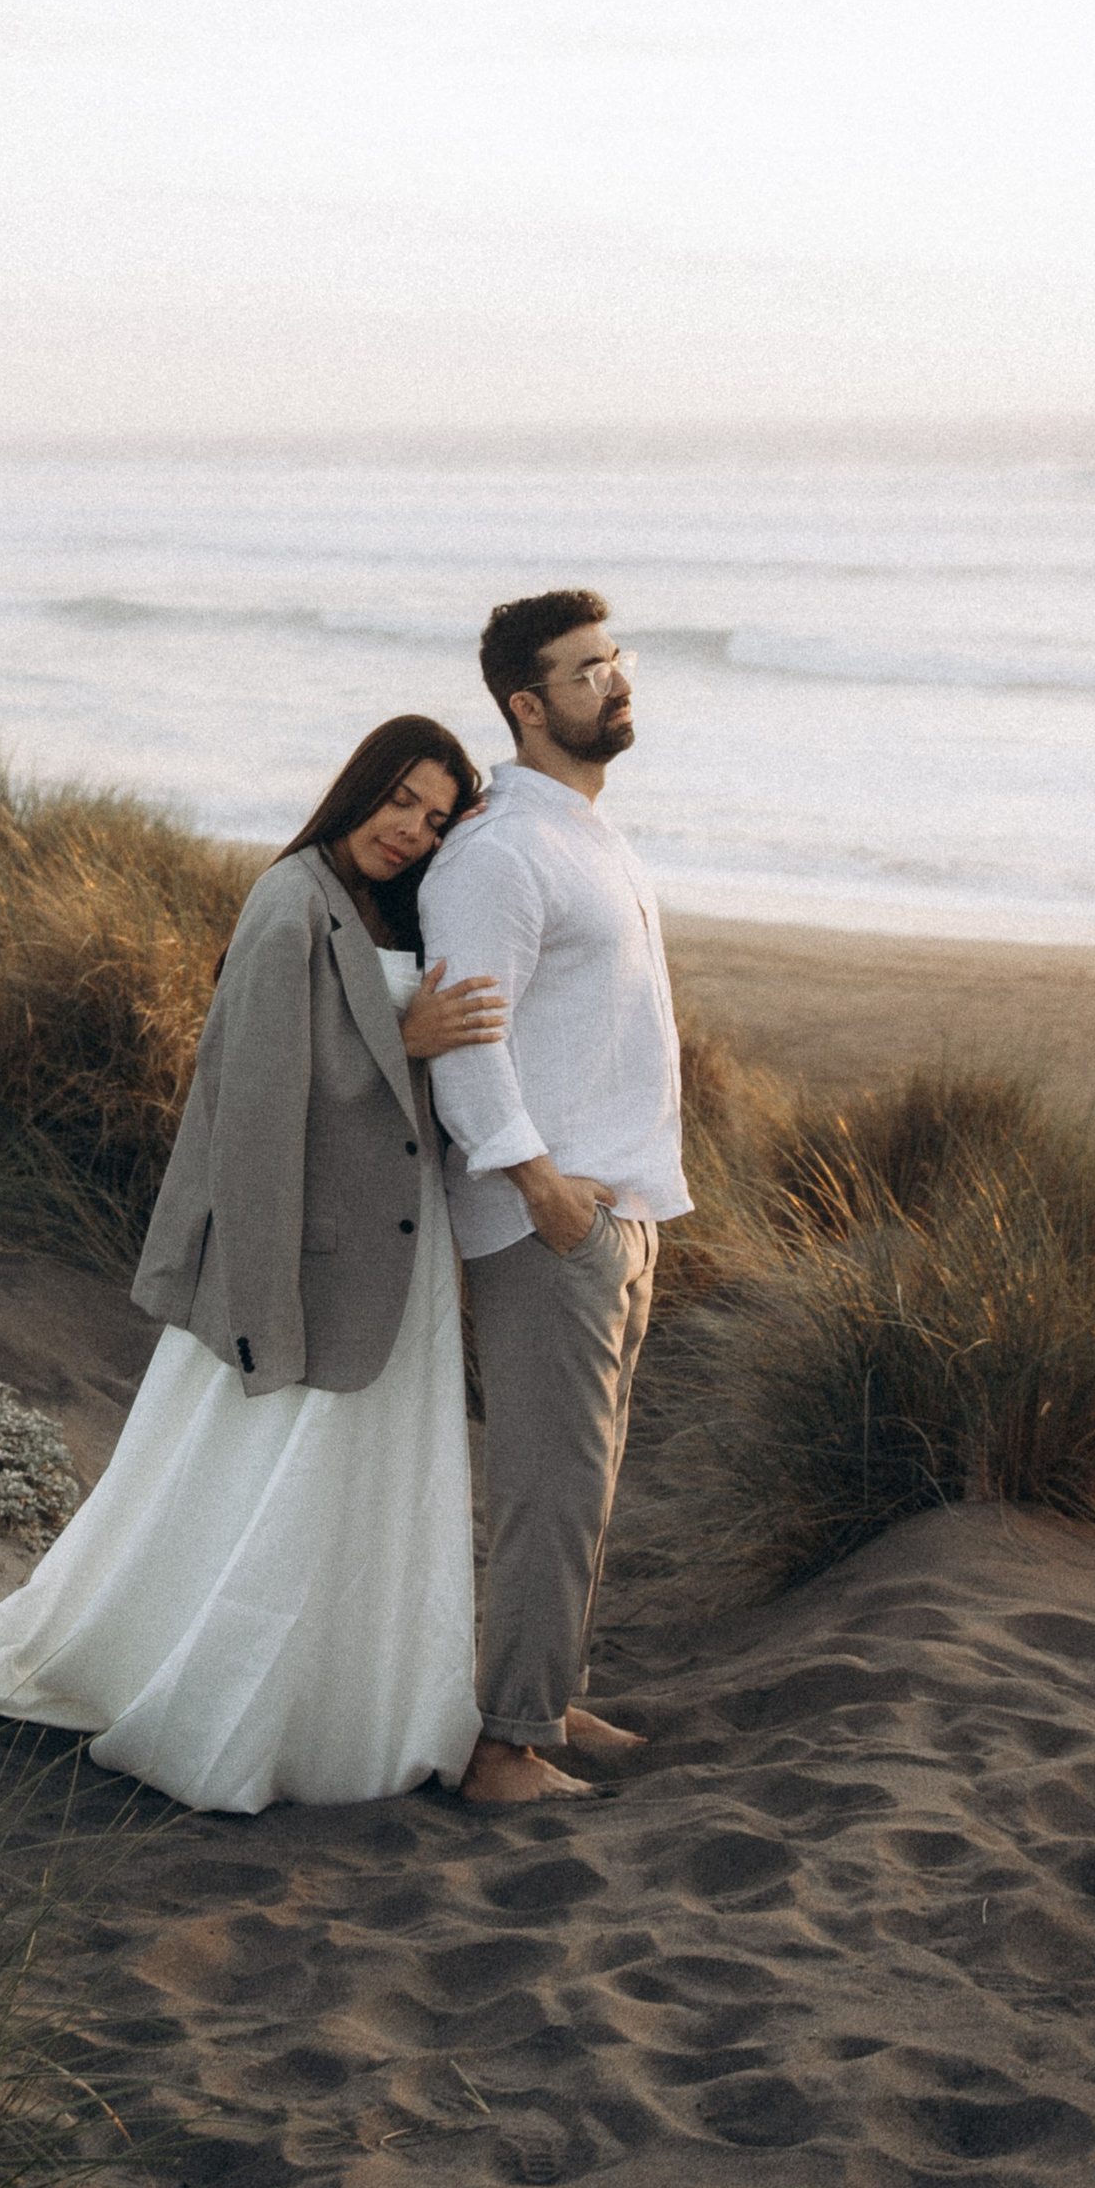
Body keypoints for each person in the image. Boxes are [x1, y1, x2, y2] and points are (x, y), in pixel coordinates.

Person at [0, 717, 508, 1811]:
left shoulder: (387, 906)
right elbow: (254, 1103)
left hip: (392, 1248)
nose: (411, 830)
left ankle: (351, 1713)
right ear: (360, 786)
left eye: (435, 819)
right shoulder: (287, 900)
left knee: (364, 1486)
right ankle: (226, 1706)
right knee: (253, 1477)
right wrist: (404, 1052)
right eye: (400, 801)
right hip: (304, 1250)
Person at [419, 590, 691, 1806]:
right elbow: (466, 1044)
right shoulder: (498, 852)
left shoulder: (590, 833)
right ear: (527, 707)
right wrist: (542, 1189)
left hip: (619, 1207)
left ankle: (544, 1696)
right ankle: (502, 1750)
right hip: (551, 1220)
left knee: (589, 1474)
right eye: (585, 671)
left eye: (615, 659)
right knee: (548, 1481)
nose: (614, 681)